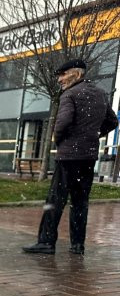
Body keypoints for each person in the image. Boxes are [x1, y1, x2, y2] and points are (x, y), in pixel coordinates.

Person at [23, 59, 119, 255]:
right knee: (80, 201)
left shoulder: (70, 94)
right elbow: (112, 121)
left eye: (62, 74)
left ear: (75, 73)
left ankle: (46, 242)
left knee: (55, 200)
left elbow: (63, 123)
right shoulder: (100, 93)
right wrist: (94, 134)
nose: (59, 79)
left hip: (68, 156)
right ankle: (77, 245)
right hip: (88, 156)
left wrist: (60, 141)